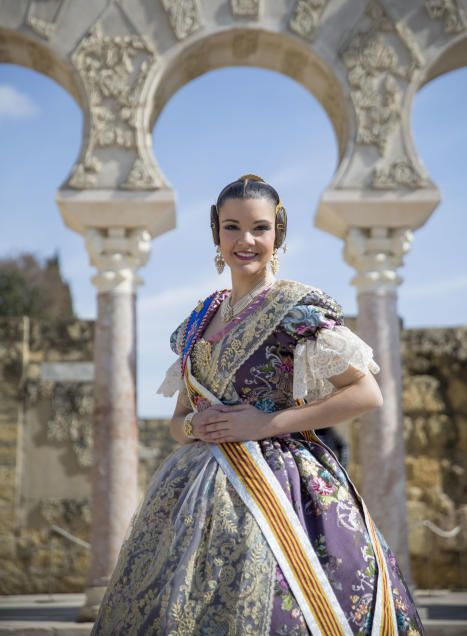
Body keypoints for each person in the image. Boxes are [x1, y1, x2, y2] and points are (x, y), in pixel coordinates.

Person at [91, 175, 425, 635]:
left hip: (280, 484)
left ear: (278, 234)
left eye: (259, 228)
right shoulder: (198, 319)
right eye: (232, 227)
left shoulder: (297, 311)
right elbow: (176, 422)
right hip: (192, 492)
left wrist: (266, 421)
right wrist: (195, 428)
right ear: (216, 233)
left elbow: (368, 393)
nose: (245, 240)